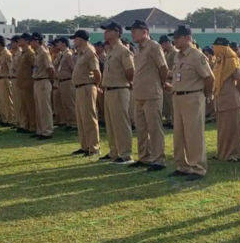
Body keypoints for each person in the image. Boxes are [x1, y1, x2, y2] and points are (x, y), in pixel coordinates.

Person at [168, 25, 214, 180]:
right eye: (174, 37)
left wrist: (207, 94)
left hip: (193, 96)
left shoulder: (196, 56)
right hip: (178, 97)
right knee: (179, 134)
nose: (174, 40)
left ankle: (198, 168)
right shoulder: (178, 56)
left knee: (194, 134)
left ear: (187, 38)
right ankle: (183, 166)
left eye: (177, 37)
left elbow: (209, 78)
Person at [127, 20, 169, 171]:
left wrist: (161, 83)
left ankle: (159, 160)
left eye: (134, 31)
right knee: (141, 128)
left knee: (154, 128)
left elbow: (163, 68)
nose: (132, 34)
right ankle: (144, 157)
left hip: (152, 93)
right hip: (140, 94)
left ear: (144, 31)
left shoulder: (153, 46)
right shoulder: (138, 49)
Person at [99, 21, 135, 163]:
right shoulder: (111, 51)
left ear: (116, 32)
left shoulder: (123, 51)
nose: (105, 33)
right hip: (109, 90)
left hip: (119, 89)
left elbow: (131, 71)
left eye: (108, 30)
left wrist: (124, 83)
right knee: (111, 124)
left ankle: (125, 153)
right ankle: (114, 151)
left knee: (121, 123)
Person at [69, 30, 101, 157]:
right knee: (81, 119)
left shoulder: (90, 53)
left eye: (75, 38)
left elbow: (97, 73)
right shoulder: (81, 53)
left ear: (81, 39)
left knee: (89, 118)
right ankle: (85, 146)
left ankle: (94, 147)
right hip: (80, 88)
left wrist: (94, 86)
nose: (74, 41)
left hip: (87, 87)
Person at [212, 37, 240, 162]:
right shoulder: (219, 61)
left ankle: (234, 154)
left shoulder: (232, 60)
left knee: (232, 128)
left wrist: (238, 92)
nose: (214, 49)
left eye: (216, 46)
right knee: (223, 128)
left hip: (230, 98)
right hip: (220, 97)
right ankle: (222, 152)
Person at [30, 32, 55, 139]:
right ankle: (40, 130)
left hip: (43, 81)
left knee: (45, 108)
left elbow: (50, 69)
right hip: (37, 81)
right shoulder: (37, 53)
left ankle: (47, 131)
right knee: (39, 108)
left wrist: (51, 81)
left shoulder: (44, 53)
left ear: (36, 41)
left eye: (31, 41)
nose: (30, 43)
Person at [16, 34, 37, 134]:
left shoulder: (30, 53)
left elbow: (35, 67)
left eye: (21, 39)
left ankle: (33, 126)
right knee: (24, 106)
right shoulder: (23, 53)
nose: (18, 41)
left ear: (26, 41)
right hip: (22, 83)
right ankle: (26, 124)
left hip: (28, 83)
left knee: (30, 106)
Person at [55, 37, 77, 131]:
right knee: (64, 103)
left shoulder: (68, 54)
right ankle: (69, 121)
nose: (57, 45)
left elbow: (73, 68)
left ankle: (75, 123)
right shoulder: (62, 54)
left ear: (64, 44)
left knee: (70, 103)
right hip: (62, 81)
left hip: (68, 81)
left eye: (59, 43)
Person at [0, 36, 15, 125]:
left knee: (8, 101)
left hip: (5, 79)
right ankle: (5, 118)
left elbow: (11, 68)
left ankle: (10, 119)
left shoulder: (7, 54)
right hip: (0, 79)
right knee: (2, 101)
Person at [160, 35, 178, 128]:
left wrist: (168, 73)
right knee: (168, 104)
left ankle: (174, 121)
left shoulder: (174, 53)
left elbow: (176, 69)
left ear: (166, 43)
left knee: (172, 103)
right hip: (166, 80)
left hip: (171, 79)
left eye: (162, 44)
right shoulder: (167, 53)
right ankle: (169, 119)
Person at [9, 36, 24, 129]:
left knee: (19, 102)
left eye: (13, 42)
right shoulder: (14, 54)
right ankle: (18, 121)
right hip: (13, 79)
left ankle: (22, 122)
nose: (11, 44)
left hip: (18, 79)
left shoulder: (20, 53)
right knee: (16, 102)